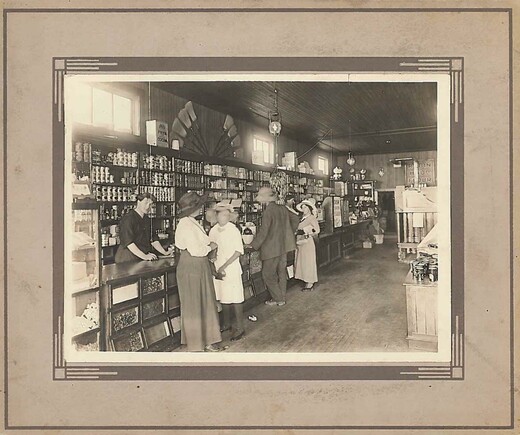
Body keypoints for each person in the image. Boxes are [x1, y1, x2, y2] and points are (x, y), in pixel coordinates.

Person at [174, 191, 225, 352]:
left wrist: (209, 245)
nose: (201, 208)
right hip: (191, 266)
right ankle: (196, 345)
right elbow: (196, 250)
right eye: (199, 205)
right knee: (194, 304)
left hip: (199, 266)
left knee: (205, 302)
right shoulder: (185, 224)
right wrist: (211, 247)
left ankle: (208, 341)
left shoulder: (191, 222)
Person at [247, 187, 296, 306]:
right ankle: (282, 297)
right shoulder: (282, 208)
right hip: (283, 246)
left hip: (271, 248)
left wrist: (252, 245)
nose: (258, 198)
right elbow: (295, 218)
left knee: (267, 274)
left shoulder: (268, 210)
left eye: (260, 196)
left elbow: (264, 232)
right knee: (281, 272)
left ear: (266, 197)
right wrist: (289, 233)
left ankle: (278, 299)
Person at [208, 202, 246, 341]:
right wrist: (213, 263)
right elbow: (211, 248)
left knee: (235, 297)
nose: (224, 217)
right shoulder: (213, 230)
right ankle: (227, 323)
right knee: (223, 296)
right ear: (216, 215)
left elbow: (238, 252)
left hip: (231, 267)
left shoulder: (233, 229)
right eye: (221, 214)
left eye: (226, 214)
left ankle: (240, 328)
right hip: (218, 268)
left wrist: (223, 266)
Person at [115, 192, 174, 263]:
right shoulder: (128, 218)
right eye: (145, 203)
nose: (147, 207)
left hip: (140, 256)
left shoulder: (147, 219)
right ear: (138, 202)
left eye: (150, 204)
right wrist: (144, 256)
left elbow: (153, 239)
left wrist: (164, 253)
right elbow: (129, 243)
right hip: (127, 257)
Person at [294, 198, 321, 291]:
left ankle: (310, 283)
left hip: (307, 242)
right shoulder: (302, 218)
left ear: (309, 208)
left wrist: (307, 232)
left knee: (309, 262)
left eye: (305, 207)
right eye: (303, 207)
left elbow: (317, 230)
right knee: (303, 262)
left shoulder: (312, 218)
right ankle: (306, 281)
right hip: (301, 242)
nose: (304, 209)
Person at [284, 193, 300, 268]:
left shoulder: (292, 209)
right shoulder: (285, 210)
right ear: (287, 201)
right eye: (292, 200)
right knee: (289, 254)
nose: (293, 202)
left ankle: (293, 273)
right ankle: (289, 275)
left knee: (294, 254)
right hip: (289, 235)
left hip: (295, 234)